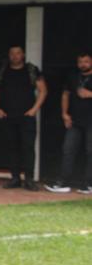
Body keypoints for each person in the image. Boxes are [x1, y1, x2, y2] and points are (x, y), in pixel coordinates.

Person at [0, 46, 47, 190]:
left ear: (23, 55)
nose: (15, 56)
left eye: (18, 53)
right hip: (8, 115)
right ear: (9, 56)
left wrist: (34, 110)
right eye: (12, 54)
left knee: (28, 147)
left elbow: (43, 90)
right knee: (12, 147)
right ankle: (15, 178)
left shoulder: (32, 70)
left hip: (26, 116)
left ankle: (29, 179)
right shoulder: (3, 70)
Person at [45, 51, 92, 194]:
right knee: (68, 150)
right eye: (80, 62)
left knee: (91, 151)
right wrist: (65, 114)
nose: (82, 64)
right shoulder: (73, 76)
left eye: (86, 61)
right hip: (75, 120)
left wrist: (90, 94)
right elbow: (65, 94)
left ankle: (88, 184)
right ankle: (62, 182)